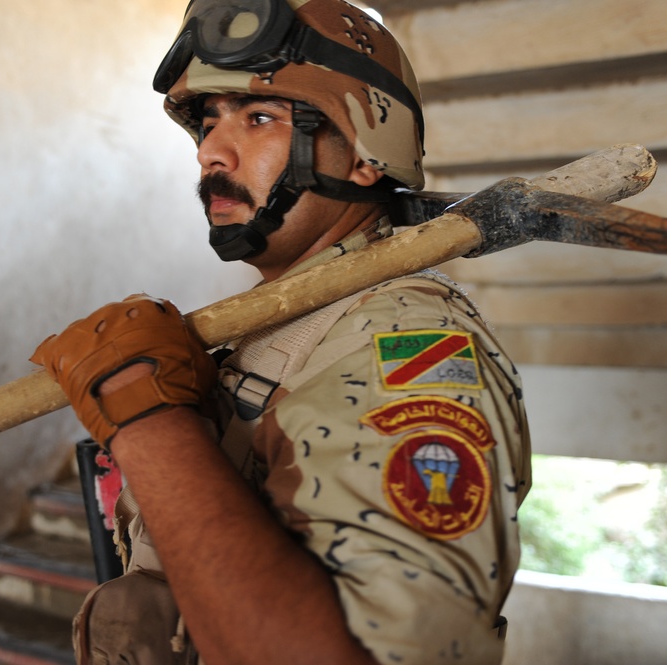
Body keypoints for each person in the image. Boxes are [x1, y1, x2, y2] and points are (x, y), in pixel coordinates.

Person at [30, 1, 531, 663]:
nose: (210, 150)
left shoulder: (405, 344)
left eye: (258, 117)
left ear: (364, 154)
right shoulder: (284, 330)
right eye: (207, 123)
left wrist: (148, 419)